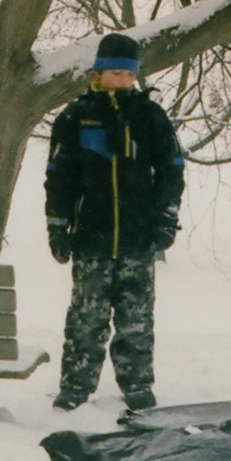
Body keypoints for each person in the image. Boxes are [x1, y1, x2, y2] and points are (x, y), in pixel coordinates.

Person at [44, 32, 185, 412]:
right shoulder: (75, 117)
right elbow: (58, 178)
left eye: (129, 74)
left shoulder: (150, 116)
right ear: (99, 73)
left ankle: (137, 384)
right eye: (116, 73)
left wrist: (166, 219)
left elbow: (171, 170)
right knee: (87, 317)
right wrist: (57, 226)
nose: (123, 80)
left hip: (139, 238)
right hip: (91, 237)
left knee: (136, 318)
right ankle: (76, 385)